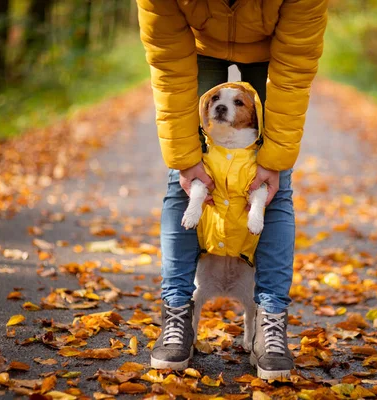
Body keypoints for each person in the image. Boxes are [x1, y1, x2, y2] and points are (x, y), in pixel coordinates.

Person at [137, 0, 328, 377]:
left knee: (276, 183)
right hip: (197, 43)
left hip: (274, 48)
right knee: (183, 179)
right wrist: (185, 156)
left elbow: (293, 70)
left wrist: (274, 161)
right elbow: (169, 64)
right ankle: (177, 313)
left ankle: (269, 320)